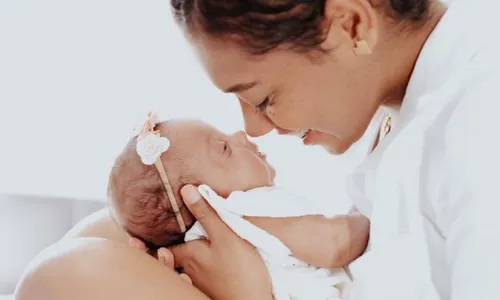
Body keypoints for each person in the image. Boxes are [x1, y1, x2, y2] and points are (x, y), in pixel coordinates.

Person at [14, 0, 500, 299]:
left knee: (65, 278)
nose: (257, 129)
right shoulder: (399, 102)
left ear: (352, 26)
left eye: (265, 99)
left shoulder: (477, 125)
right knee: (106, 235)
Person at [108, 115, 357, 299]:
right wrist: (365, 208)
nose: (241, 134)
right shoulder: (246, 207)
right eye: (224, 148)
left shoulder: (203, 261)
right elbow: (334, 243)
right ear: (202, 197)